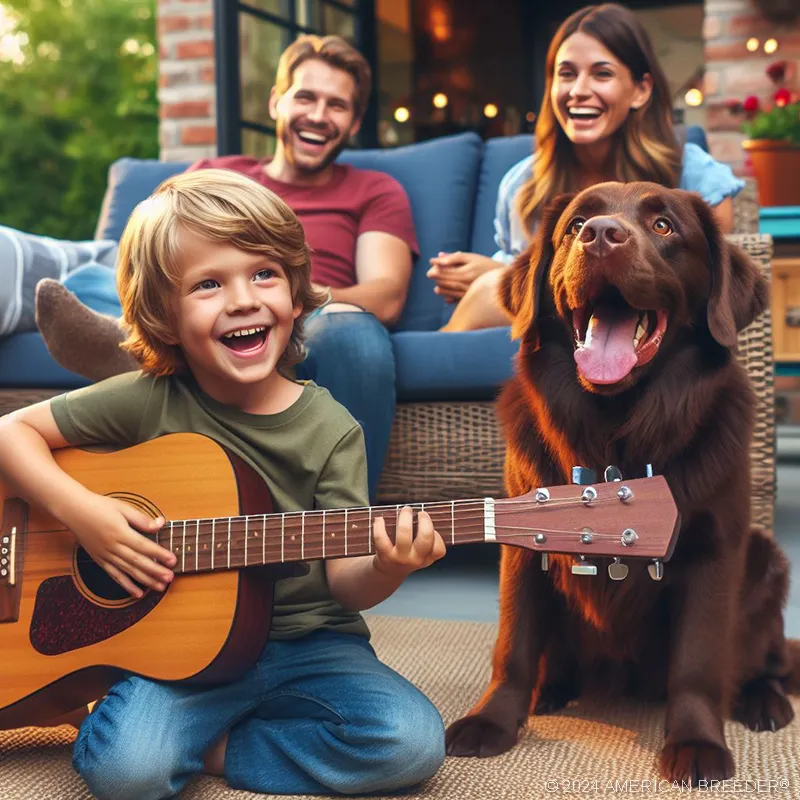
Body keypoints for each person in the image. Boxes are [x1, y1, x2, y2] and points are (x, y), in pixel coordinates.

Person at [0, 170, 446, 800]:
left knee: (408, 743)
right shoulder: (147, 400)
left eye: (263, 274)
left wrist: (389, 567)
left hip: (307, 644)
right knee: (130, 775)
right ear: (166, 317)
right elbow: (9, 433)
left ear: (295, 295)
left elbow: (347, 578)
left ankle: (218, 747)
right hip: (173, 655)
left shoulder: (330, 428)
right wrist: (85, 515)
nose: (243, 299)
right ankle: (105, 708)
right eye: (208, 284)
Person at [6, 34, 415, 503]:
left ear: (355, 121)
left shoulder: (375, 190)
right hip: (195, 298)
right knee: (89, 279)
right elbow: (152, 259)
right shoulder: (213, 175)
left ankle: (146, 349)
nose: (320, 115)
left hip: (311, 312)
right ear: (277, 101)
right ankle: (152, 333)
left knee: (353, 332)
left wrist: (286, 289)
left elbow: (385, 294)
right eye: (306, 97)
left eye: (337, 105)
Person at [429, 2, 745, 333]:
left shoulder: (690, 171)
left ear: (641, 90)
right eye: (566, 74)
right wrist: (495, 271)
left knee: (486, 289)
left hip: (649, 322)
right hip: (555, 329)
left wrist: (493, 279)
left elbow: (707, 279)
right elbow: (531, 283)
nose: (579, 91)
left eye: (602, 73)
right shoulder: (523, 183)